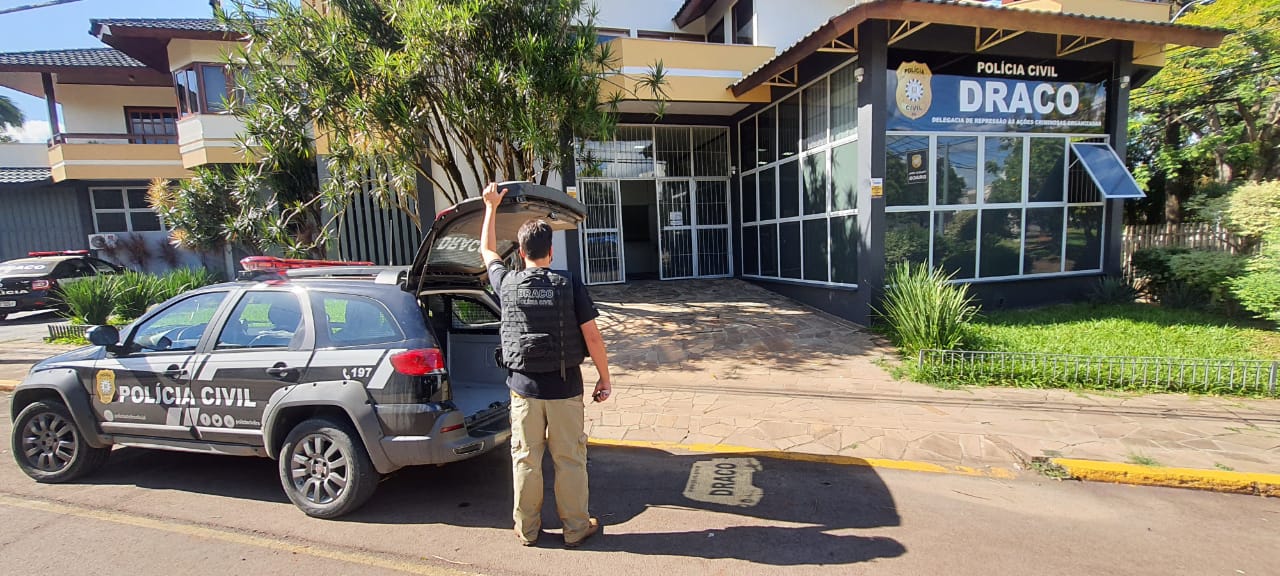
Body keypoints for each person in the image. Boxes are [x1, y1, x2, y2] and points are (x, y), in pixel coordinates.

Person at [478, 181, 613, 549]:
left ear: (521, 252)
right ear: (551, 252)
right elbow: (593, 337)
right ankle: (575, 528)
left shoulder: (506, 282)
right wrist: (605, 378)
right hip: (565, 388)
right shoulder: (569, 284)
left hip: (523, 390)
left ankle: (527, 529)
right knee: (570, 460)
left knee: (525, 459)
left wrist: (491, 207)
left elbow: (487, 250)